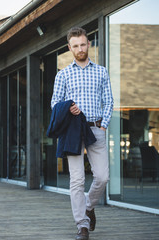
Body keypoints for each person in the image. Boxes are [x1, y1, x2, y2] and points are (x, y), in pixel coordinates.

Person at [51, 27, 113, 240]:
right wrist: (68, 108)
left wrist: (103, 124)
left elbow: (109, 101)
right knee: (76, 180)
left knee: (103, 177)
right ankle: (82, 225)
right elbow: (54, 103)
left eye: (83, 44)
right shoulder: (63, 74)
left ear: (89, 44)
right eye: (75, 46)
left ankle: (89, 207)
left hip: (96, 128)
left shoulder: (101, 71)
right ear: (70, 48)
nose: (80, 49)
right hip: (73, 130)